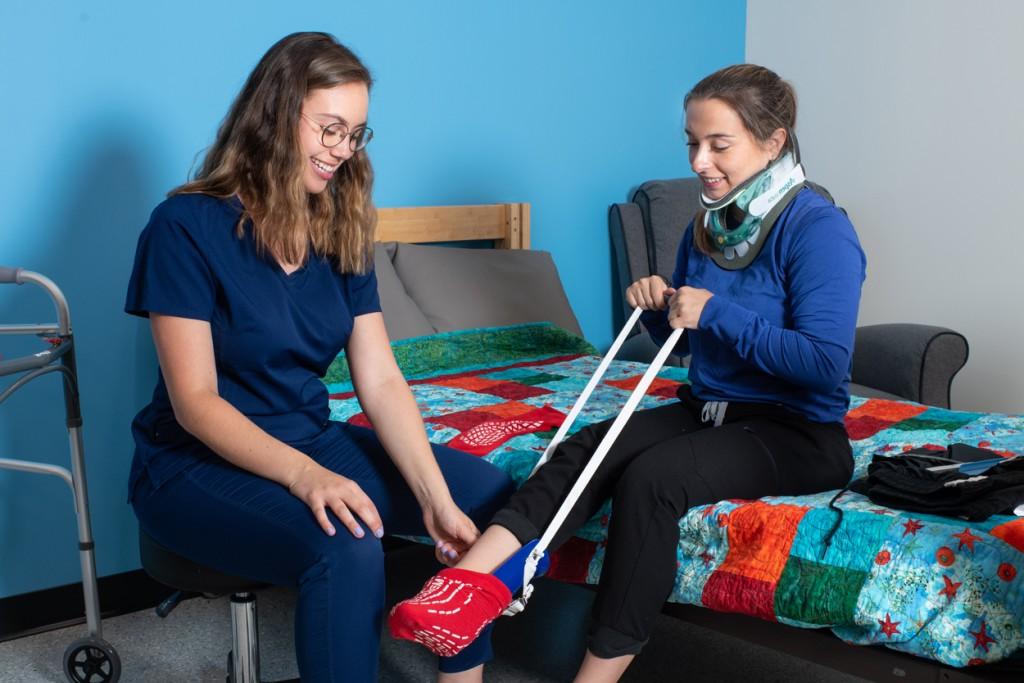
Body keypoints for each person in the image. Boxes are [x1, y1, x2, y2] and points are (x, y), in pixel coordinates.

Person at [389, 63, 866, 682]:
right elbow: (689, 348)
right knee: (589, 446)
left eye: (719, 145)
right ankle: (467, 590)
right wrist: (659, 309)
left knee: (653, 478)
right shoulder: (708, 228)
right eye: (692, 143)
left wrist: (718, 313)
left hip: (799, 433)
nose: (699, 160)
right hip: (709, 410)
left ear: (773, 142)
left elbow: (826, 365)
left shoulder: (820, 229)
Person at [124, 32, 514, 683]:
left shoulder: (341, 224)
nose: (342, 149)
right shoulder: (184, 227)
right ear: (276, 114)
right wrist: (307, 476)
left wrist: (434, 497)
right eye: (329, 128)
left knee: (485, 493)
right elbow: (195, 402)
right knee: (347, 543)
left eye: (356, 133)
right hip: (192, 463)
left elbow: (382, 379)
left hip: (306, 433)